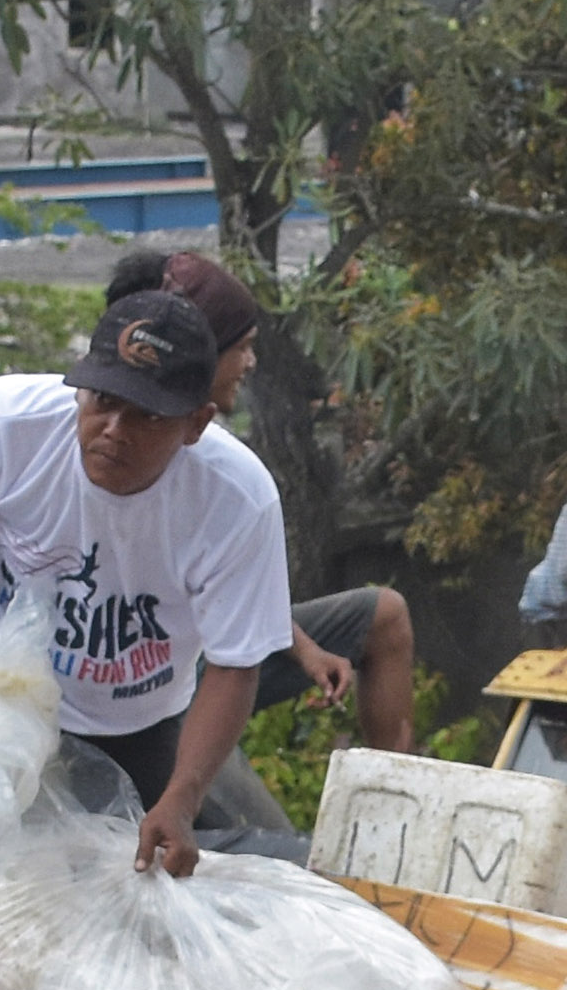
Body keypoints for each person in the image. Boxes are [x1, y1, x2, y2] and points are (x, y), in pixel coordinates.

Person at [0, 288, 290, 990]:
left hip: (132, 722)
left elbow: (234, 666)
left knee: (119, 918)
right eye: (101, 399)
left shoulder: (237, 500)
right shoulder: (5, 423)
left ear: (197, 423)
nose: (112, 429)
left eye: (146, 415)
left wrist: (182, 794)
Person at [94, 245, 417, 754]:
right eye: (240, 347)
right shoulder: (101, 447)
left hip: (205, 657)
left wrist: (305, 648)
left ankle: (397, 802)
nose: (251, 362)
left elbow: (229, 593)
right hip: (148, 689)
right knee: (248, 829)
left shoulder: (225, 473)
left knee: (384, 614)